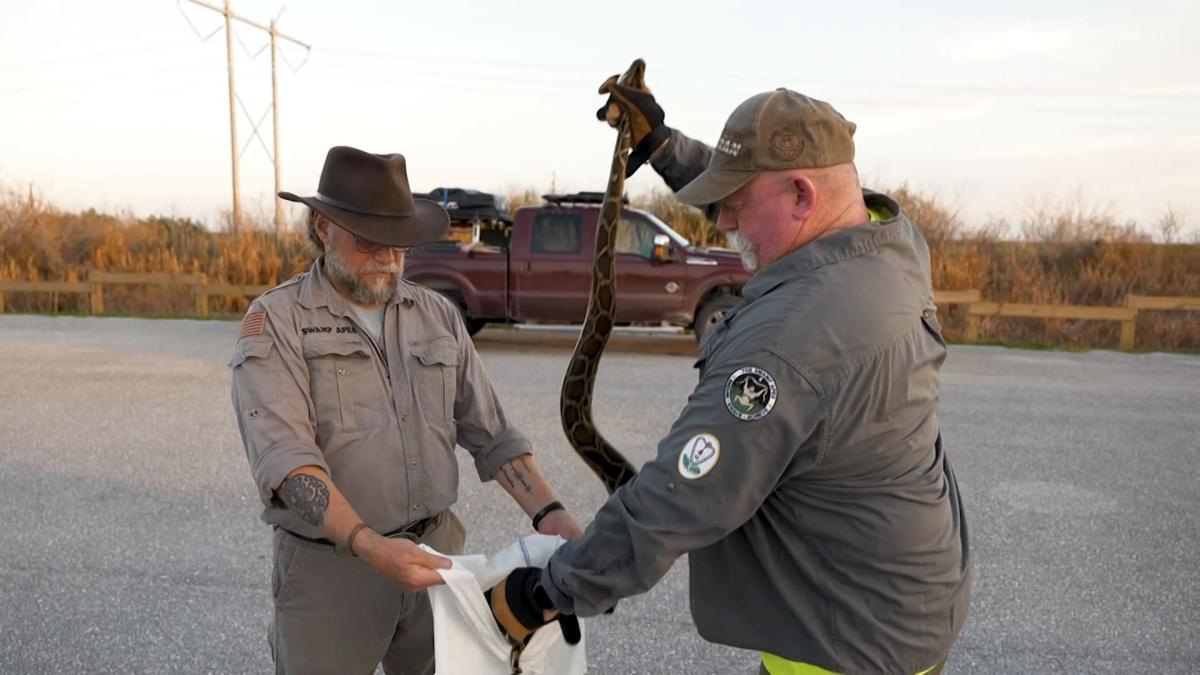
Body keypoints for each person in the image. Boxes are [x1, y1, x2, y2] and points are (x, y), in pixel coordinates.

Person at [486, 77, 972, 674]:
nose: (723, 225)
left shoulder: (790, 338)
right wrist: (664, 148)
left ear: (800, 195)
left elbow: (678, 498)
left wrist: (543, 593)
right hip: (904, 601)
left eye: (736, 206)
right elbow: (767, 188)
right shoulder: (889, 241)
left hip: (843, 646)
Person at [229, 145, 583, 675]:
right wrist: (370, 545)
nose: (388, 258)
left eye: (400, 244)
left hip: (438, 559)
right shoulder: (278, 323)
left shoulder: (437, 315)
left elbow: (493, 434)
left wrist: (550, 514)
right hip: (333, 571)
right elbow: (287, 462)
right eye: (369, 241)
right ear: (323, 227)